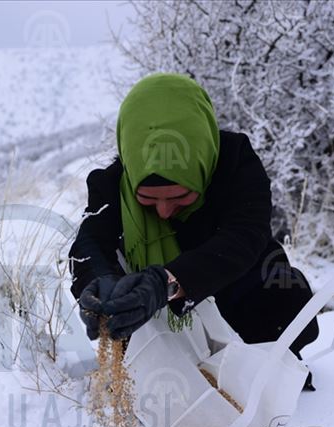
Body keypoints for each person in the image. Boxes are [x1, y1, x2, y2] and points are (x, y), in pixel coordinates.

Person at [68, 73, 319, 389]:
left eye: (179, 197)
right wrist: (98, 282)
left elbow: (245, 236)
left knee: (285, 299)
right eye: (146, 199)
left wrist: (168, 282)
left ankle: (264, 365)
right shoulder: (112, 184)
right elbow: (90, 242)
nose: (163, 211)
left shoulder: (235, 162)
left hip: (242, 300)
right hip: (153, 323)